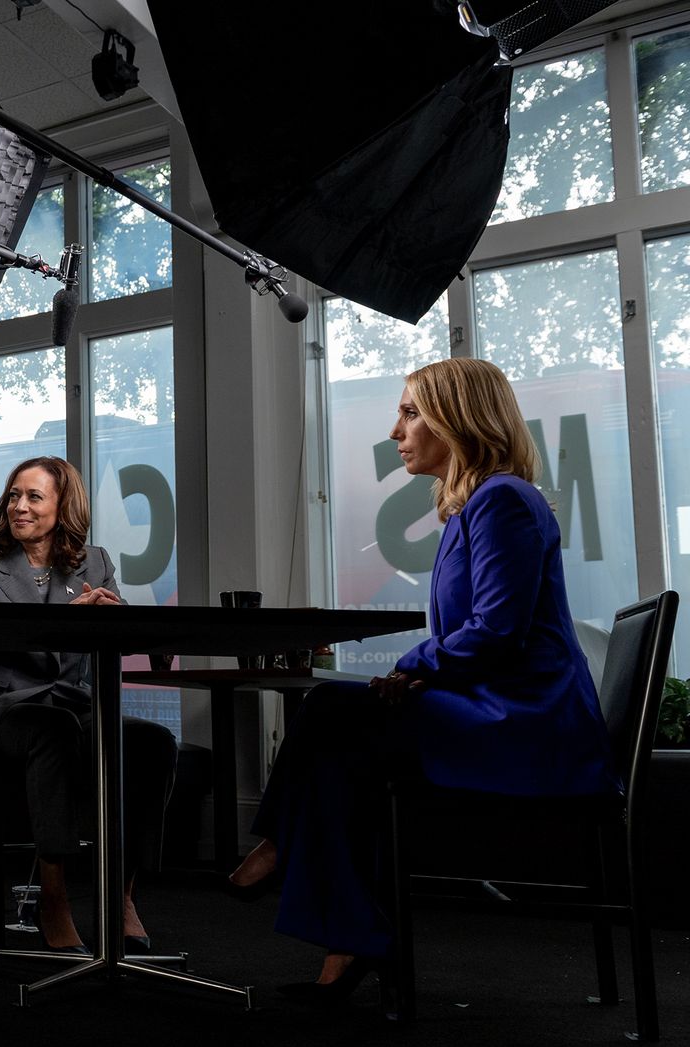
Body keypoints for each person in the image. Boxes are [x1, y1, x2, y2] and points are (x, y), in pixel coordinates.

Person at [225, 357, 615, 1002]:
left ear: (459, 420)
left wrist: (412, 668)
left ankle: (298, 870)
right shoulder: (475, 508)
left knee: (330, 710)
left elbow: (496, 630)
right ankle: (339, 935)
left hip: (525, 726)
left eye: (410, 413)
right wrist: (420, 672)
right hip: (501, 711)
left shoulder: (503, 500)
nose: (395, 431)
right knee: (344, 750)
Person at [0, 456, 178, 956]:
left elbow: (119, 627)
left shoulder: (94, 561)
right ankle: (54, 896)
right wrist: (65, 619)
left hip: (68, 701)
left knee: (150, 741)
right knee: (51, 730)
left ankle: (122, 894)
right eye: (13, 495)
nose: (18, 506)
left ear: (63, 506)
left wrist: (119, 616)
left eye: (33, 497)